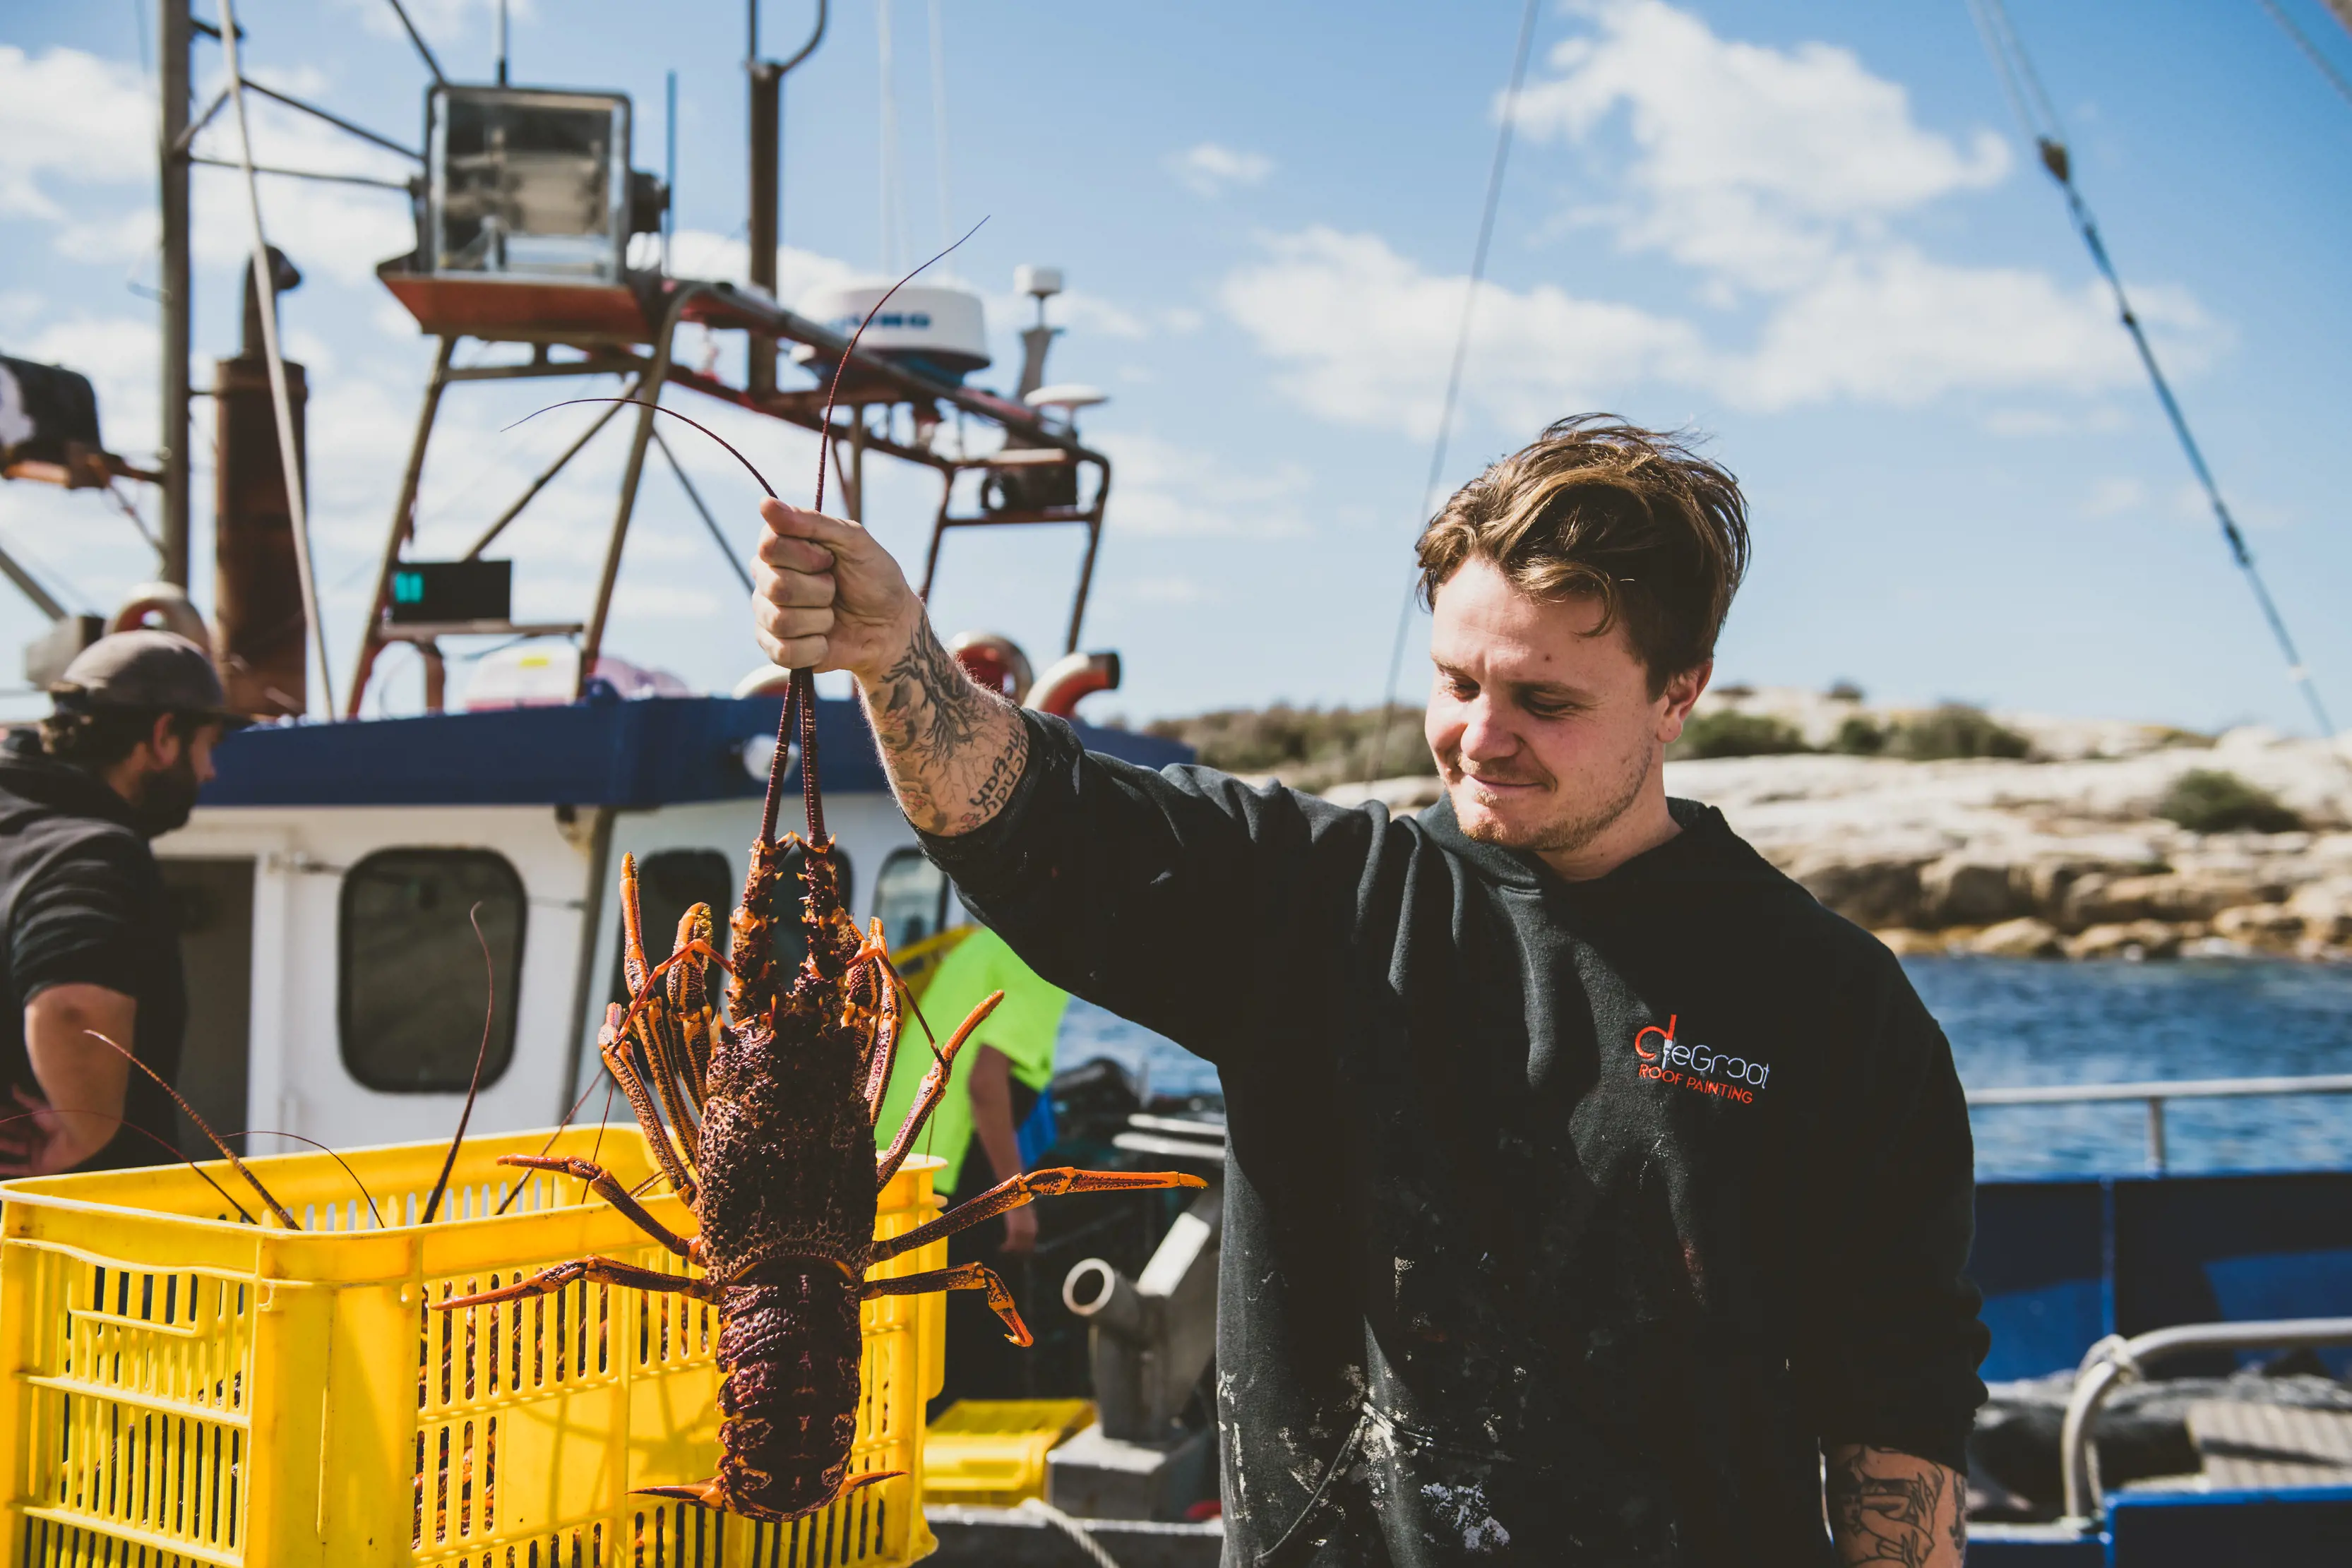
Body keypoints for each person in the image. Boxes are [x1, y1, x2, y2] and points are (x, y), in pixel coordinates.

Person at [753, 417, 1986, 1564]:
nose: (1481, 737)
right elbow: (1032, 816)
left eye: (1544, 702)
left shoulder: (1831, 1006)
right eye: (1457, 683)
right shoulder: (1319, 907)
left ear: (1679, 694)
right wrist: (892, 653)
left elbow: (1896, 1414)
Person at [0, 630, 235, 1177]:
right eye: (207, 745)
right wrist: (82, 1131)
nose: (209, 771)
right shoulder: (89, 850)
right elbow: (72, 1005)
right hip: (61, 1237)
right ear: (163, 737)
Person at [875, 921, 1070, 1404]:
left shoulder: (984, 944)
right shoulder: (1040, 959)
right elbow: (985, 1083)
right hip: (945, 1169)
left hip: (889, 1157)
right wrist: (1016, 1199)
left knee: (905, 1344)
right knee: (974, 1348)